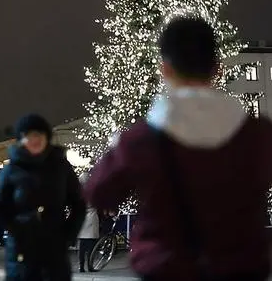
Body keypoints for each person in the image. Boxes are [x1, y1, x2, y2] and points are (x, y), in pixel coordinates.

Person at [85, 16, 272, 281]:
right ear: (217, 68)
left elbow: (99, 192)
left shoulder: (141, 139)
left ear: (165, 69)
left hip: (167, 268)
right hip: (240, 269)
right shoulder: (257, 134)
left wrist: (116, 148)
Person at [0, 113, 86, 281]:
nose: (35, 139)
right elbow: (2, 216)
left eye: (39, 134)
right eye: (29, 135)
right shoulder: (11, 171)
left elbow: (78, 203)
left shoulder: (61, 167)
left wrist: (67, 236)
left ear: (46, 137)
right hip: (21, 253)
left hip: (54, 252)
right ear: (21, 139)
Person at [77, 173, 99, 273]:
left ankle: (81, 267)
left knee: (81, 247)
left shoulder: (78, 193)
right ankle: (90, 266)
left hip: (82, 220)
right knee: (91, 247)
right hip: (92, 220)